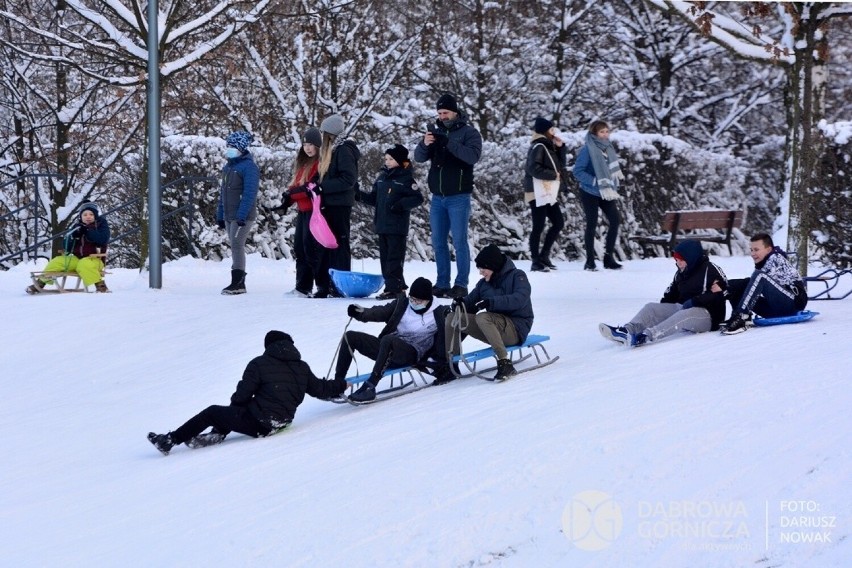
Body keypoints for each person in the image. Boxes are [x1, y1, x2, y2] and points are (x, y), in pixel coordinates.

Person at [147, 331, 346, 455]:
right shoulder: (302, 367)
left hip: (260, 423)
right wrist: (341, 385)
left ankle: (170, 440)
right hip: (283, 421)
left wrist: (229, 416)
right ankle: (217, 434)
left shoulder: (259, 363)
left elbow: (242, 395)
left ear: (269, 346)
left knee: (214, 412)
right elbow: (320, 389)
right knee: (234, 413)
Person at [414, 93, 483, 299]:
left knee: (460, 241)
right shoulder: (435, 132)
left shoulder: (469, 133)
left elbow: (472, 156)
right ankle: (442, 282)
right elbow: (418, 158)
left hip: (459, 196)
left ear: (455, 112)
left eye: (445, 112)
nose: (442, 116)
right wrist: (425, 143)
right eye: (439, 113)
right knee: (438, 241)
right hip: (438, 197)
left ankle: (461, 283)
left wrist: (448, 143)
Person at [336, 277, 446, 402]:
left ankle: (370, 386)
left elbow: (457, 324)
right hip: (386, 350)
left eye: (418, 301)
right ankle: (336, 385)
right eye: (412, 299)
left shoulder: (439, 312)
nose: (414, 303)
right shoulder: (403, 304)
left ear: (428, 300)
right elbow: (380, 311)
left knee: (389, 340)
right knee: (350, 336)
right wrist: (361, 313)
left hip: (412, 354)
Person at [599, 240, 727, 347]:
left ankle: (646, 336)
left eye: (681, 260)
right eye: (676, 260)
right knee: (651, 307)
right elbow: (671, 293)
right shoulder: (681, 273)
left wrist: (697, 301)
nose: (678, 263)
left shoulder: (710, 269)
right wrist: (661, 310)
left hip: (709, 317)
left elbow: (725, 291)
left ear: (691, 257)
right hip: (684, 308)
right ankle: (627, 331)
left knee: (685, 314)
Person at [446, 244, 534, 382]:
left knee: (483, 317)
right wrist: (458, 303)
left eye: (483, 268)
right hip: (494, 328)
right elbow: (469, 301)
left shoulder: (518, 276)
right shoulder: (484, 284)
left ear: (493, 265)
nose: (481, 272)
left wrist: (491, 302)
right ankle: (450, 364)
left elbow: (520, 299)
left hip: (516, 328)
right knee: (453, 317)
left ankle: (505, 363)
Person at [356, 144, 424, 299]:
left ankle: (394, 289)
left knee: (394, 259)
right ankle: (395, 286)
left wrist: (400, 205)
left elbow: (417, 198)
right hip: (382, 225)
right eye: (386, 158)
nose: (387, 161)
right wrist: (357, 194)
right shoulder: (382, 179)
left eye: (391, 159)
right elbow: (374, 199)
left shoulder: (406, 179)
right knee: (386, 260)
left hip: (397, 227)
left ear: (400, 161)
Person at [718, 233, 808, 335]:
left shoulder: (775, 258)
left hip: (793, 303)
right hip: (776, 307)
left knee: (758, 277)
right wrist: (728, 286)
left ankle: (741, 317)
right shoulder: (763, 262)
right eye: (751, 250)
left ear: (769, 250)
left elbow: (757, 281)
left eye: (756, 250)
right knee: (743, 285)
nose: (752, 253)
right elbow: (751, 285)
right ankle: (737, 317)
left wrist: (727, 286)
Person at [313, 114, 360, 296]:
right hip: (329, 203)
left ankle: (340, 284)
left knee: (339, 243)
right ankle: (326, 283)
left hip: (340, 204)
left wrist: (323, 187)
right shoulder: (333, 151)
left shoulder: (344, 151)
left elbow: (348, 179)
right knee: (327, 243)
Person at [279, 127, 328, 297]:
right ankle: (302, 286)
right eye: (305, 144)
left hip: (315, 213)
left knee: (311, 249)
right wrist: (288, 198)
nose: (307, 148)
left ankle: (319, 285)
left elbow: (309, 188)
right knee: (299, 248)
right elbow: (296, 186)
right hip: (302, 212)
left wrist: (293, 193)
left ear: (318, 146)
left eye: (311, 144)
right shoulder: (303, 164)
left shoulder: (319, 165)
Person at [26, 201, 111, 294]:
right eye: (85, 214)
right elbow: (67, 247)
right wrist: (73, 236)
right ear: (81, 217)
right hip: (76, 259)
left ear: (95, 216)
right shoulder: (77, 227)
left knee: (84, 264)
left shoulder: (101, 225)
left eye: (91, 214)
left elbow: (102, 239)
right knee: (57, 261)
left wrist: (87, 231)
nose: (88, 216)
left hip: (94, 259)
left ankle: (101, 286)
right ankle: (40, 283)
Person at [572, 120, 624, 271]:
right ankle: (589, 261)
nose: (605, 134)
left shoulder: (609, 148)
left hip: (606, 191)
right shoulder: (587, 149)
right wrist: (594, 181)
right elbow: (577, 171)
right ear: (594, 133)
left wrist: (613, 185)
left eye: (607, 131)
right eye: (602, 132)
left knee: (615, 220)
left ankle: (608, 258)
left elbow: (611, 171)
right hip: (590, 191)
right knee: (592, 224)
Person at [216, 130, 260, 295]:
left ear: (241, 148)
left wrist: (242, 215)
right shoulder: (228, 167)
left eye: (233, 146)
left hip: (243, 216)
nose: (229, 149)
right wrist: (220, 215)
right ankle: (237, 282)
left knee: (236, 245)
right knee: (234, 245)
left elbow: (250, 193)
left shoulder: (249, 167)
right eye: (228, 146)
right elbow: (223, 193)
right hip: (229, 215)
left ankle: (238, 283)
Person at [524, 116, 566, 272]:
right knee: (538, 226)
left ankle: (543, 256)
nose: (553, 131)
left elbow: (560, 166)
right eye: (551, 129)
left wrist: (561, 148)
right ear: (545, 131)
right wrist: (552, 175)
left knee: (558, 222)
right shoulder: (539, 146)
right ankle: (536, 261)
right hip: (536, 191)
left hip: (547, 190)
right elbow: (532, 169)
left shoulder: (547, 146)